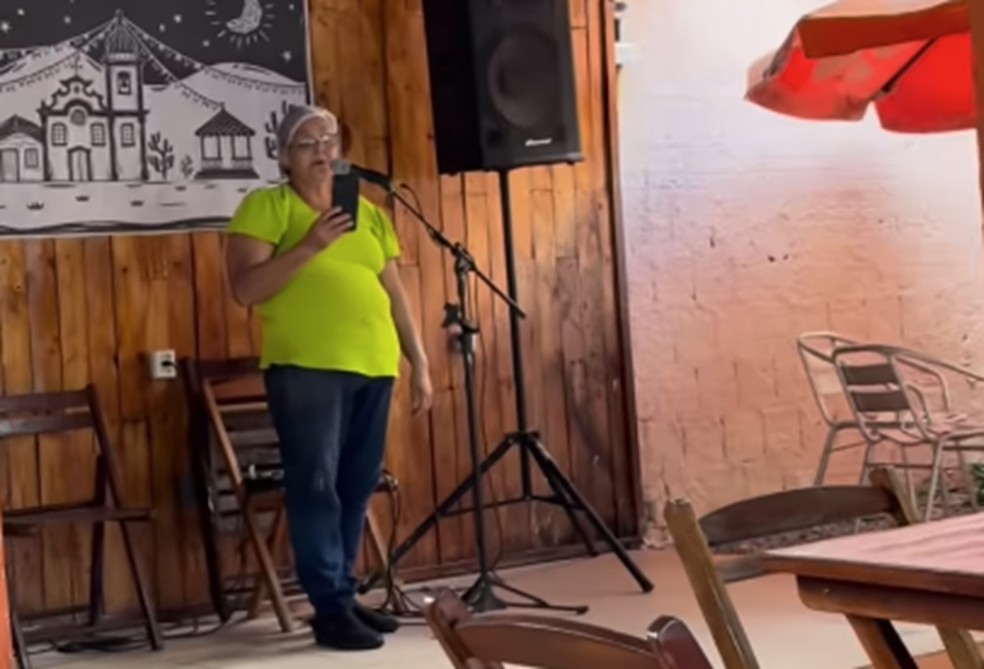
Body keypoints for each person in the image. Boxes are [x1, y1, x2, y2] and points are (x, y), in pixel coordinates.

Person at [223, 105, 433, 651]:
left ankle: (343, 594)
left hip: (373, 365)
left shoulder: (368, 212)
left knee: (355, 486)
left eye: (330, 140)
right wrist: (311, 246)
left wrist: (420, 360)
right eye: (306, 143)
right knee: (315, 487)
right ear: (284, 157)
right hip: (307, 368)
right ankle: (330, 607)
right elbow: (246, 289)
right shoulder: (267, 207)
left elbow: (394, 293)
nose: (322, 151)